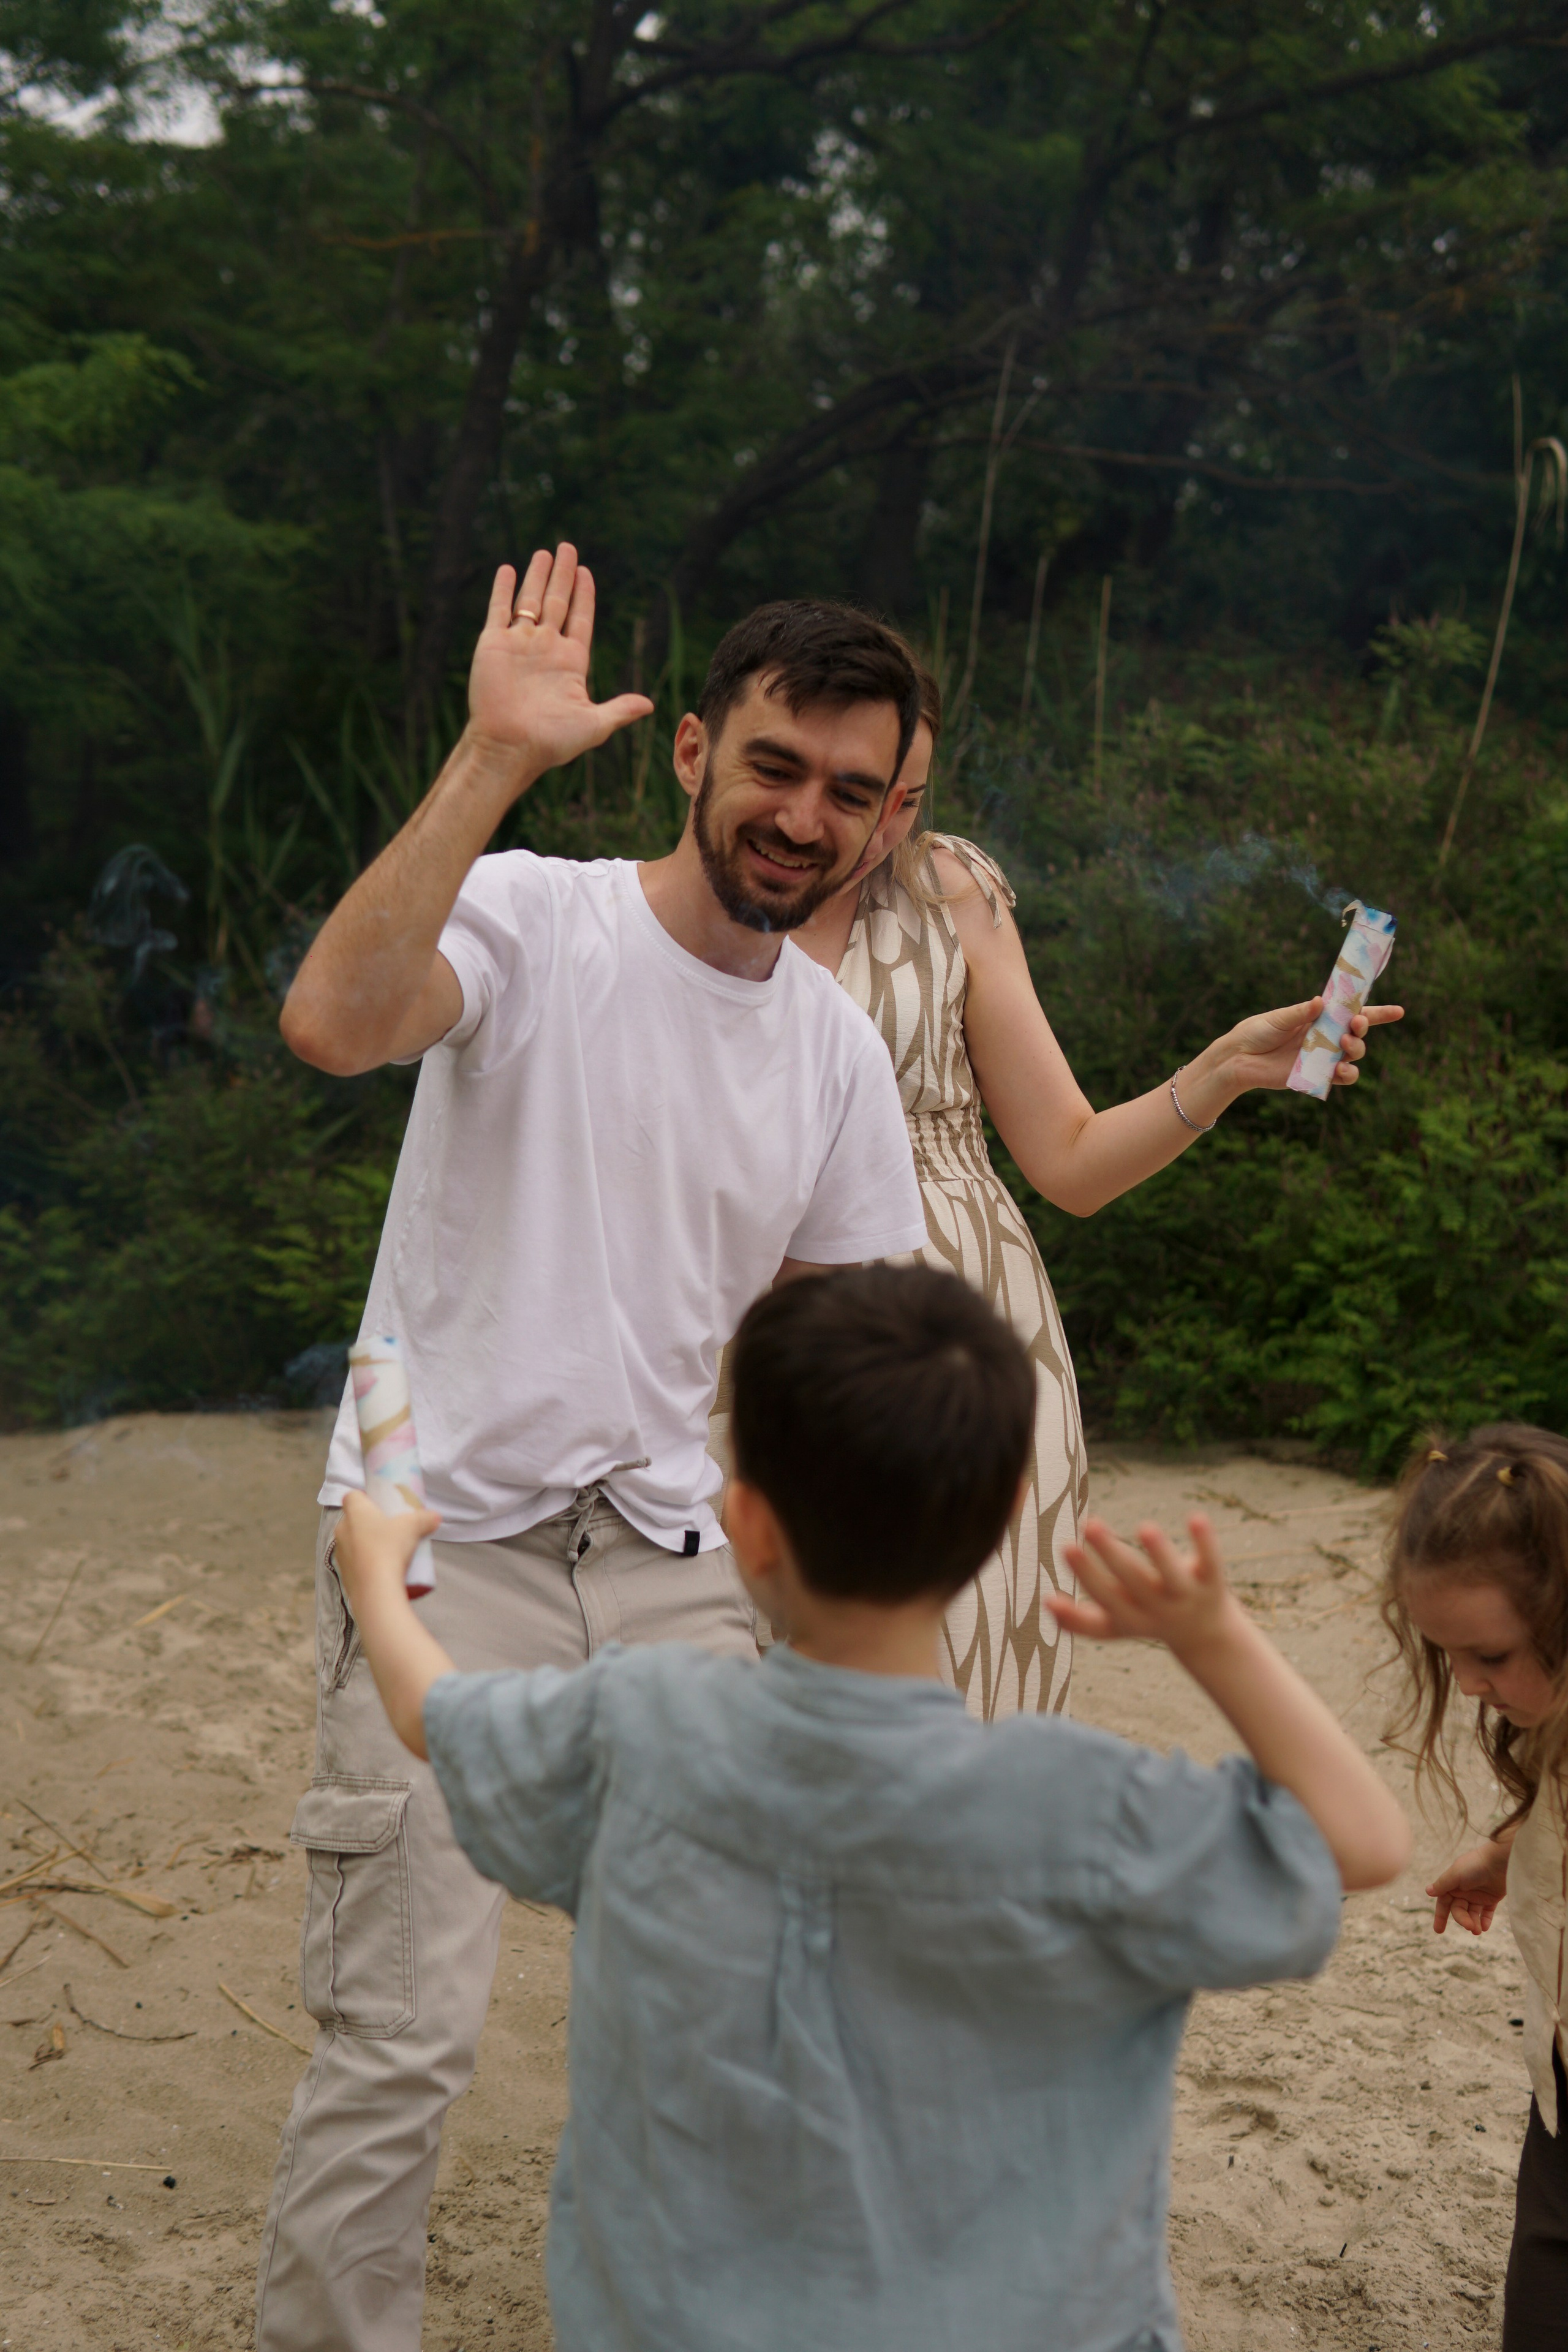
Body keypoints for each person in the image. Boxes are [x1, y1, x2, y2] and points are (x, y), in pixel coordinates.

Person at [258, 545, 931, 2351]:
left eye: (852, 793)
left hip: (684, 1584)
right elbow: (329, 1023)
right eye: (778, 767)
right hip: (437, 1544)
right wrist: (488, 762)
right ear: (694, 751)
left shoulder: (838, 1059)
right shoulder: (539, 918)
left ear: (888, 820)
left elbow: (830, 1355)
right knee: (405, 2043)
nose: (806, 817)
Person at [332, 1261, 1409, 2352]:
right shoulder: (1084, 1813)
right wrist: (1211, 1636)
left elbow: (436, 1717)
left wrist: (379, 1574)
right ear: (999, 1530)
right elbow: (1365, 1841)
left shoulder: (640, 1732)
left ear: (748, 1528)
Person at [790, 662, 1404, 1719]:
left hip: (972, 1341)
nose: (889, 825)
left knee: (970, 1698)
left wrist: (1221, 1073)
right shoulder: (686, 909)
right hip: (764, 1338)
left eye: (912, 797)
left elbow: (1068, 1162)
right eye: (863, 790)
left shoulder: (951, 891)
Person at [1381, 1423, 1568, 2352]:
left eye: (1489, 1657)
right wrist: (1509, 1850)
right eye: (1446, 1654)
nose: (1466, 1684)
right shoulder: (1555, 1729)